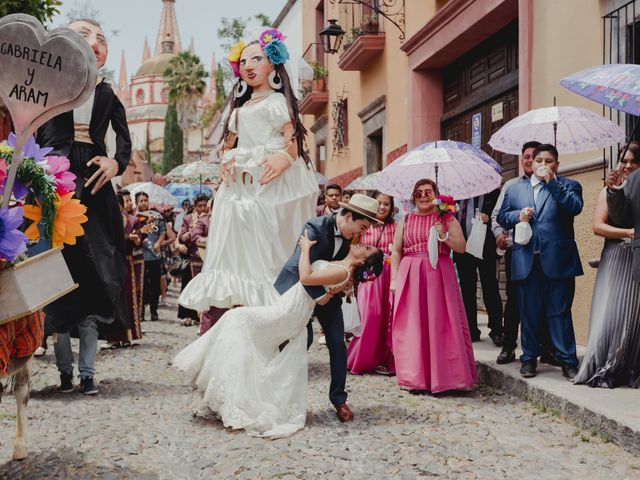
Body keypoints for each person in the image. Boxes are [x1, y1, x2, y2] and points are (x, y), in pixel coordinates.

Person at [173, 231, 382, 438]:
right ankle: (227, 391)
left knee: (236, 318)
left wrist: (306, 250)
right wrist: (328, 292)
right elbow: (323, 300)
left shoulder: (343, 271)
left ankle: (221, 387)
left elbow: (307, 277)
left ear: (363, 260)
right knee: (242, 330)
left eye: (366, 248)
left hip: (288, 312)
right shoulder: (342, 267)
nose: (362, 243)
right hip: (292, 305)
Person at [179, 28, 317, 312]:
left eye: (256, 59)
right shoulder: (239, 111)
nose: (248, 66)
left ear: (273, 65)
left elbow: (293, 144)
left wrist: (285, 158)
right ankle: (242, 302)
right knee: (237, 247)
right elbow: (227, 146)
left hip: (267, 181)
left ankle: (272, 298)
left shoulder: (278, 103)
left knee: (267, 245)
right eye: (243, 62)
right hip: (239, 185)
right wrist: (226, 157)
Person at [36, 18, 132, 395]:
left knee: (98, 265)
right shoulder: (46, 86)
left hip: (94, 182)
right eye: (83, 35)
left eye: (101, 38)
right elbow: (31, 130)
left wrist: (115, 163)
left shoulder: (107, 94)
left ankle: (88, 372)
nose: (94, 42)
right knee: (57, 279)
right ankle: (63, 370)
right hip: (55, 179)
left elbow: (123, 139)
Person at [275, 194, 381, 422]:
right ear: (349, 216)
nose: (361, 235)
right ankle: (280, 395)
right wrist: (321, 295)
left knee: (337, 343)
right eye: (361, 227)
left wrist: (344, 285)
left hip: (328, 295)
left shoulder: (352, 237)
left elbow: (352, 266)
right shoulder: (315, 227)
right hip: (300, 292)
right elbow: (298, 268)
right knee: (300, 342)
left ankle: (339, 399)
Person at [498, 144, 583, 380]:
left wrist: (553, 183)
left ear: (557, 164)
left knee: (560, 313)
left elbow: (574, 208)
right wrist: (518, 216)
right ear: (531, 164)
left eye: (549, 161)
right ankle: (528, 359)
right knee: (529, 313)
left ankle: (568, 361)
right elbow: (503, 217)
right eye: (539, 161)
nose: (543, 165)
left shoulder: (568, 185)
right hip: (527, 260)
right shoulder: (515, 189)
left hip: (558, 261)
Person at [390, 179, 477, 393]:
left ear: (435, 194)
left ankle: (447, 377)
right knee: (414, 325)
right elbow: (397, 250)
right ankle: (417, 378)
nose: (423, 196)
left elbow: (462, 248)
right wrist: (394, 279)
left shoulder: (446, 218)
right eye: (418, 192)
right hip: (412, 274)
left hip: (439, 275)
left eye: (428, 192)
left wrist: (443, 235)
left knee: (441, 324)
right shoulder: (406, 219)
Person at [574, 144, 640, 388]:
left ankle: (630, 366)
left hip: (635, 259)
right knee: (611, 314)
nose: (629, 165)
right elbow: (597, 226)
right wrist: (628, 232)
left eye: (634, 161)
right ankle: (606, 364)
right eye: (625, 160)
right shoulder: (608, 191)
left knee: (632, 316)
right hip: (615, 257)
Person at [491, 141, 547, 364]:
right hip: (518, 251)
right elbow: (498, 216)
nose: (530, 160)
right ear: (521, 159)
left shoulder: (550, 185)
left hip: (544, 253)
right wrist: (499, 235)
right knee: (514, 301)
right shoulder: (511, 185)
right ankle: (508, 346)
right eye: (526, 156)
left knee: (545, 299)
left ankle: (547, 347)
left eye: (535, 156)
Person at [347, 192, 397, 375]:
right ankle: (361, 357)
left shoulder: (397, 226)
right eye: (379, 203)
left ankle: (384, 359)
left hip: (389, 276)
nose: (382, 207)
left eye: (386, 204)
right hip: (369, 278)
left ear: (392, 207)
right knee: (369, 317)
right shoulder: (363, 227)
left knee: (388, 319)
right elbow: (352, 249)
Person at [453, 189, 503, 343]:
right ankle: (471, 331)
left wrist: (488, 217)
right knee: (467, 290)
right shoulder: (456, 195)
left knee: (490, 286)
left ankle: (496, 330)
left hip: (484, 246)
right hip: (463, 248)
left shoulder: (492, 192)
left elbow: (500, 214)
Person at [102, 190, 145, 348]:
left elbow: (139, 242)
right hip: (109, 264)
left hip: (127, 263)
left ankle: (128, 335)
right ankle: (113, 336)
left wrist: (135, 239)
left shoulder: (132, 220)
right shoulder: (105, 221)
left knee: (127, 298)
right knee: (112, 299)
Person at [177, 194, 209, 326]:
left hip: (208, 258)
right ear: (195, 207)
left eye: (204, 205)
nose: (202, 208)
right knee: (190, 285)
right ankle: (189, 315)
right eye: (199, 206)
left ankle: (204, 314)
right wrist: (185, 237)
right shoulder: (188, 218)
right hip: (193, 257)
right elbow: (180, 237)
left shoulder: (212, 218)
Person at [136, 191, 166, 322]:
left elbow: (162, 232)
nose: (143, 203)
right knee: (142, 286)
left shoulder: (156, 216)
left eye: (145, 200)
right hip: (141, 256)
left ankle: (154, 311)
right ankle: (141, 312)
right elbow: (139, 232)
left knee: (155, 285)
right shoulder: (134, 217)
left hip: (154, 256)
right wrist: (148, 223)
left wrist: (159, 243)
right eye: (140, 200)